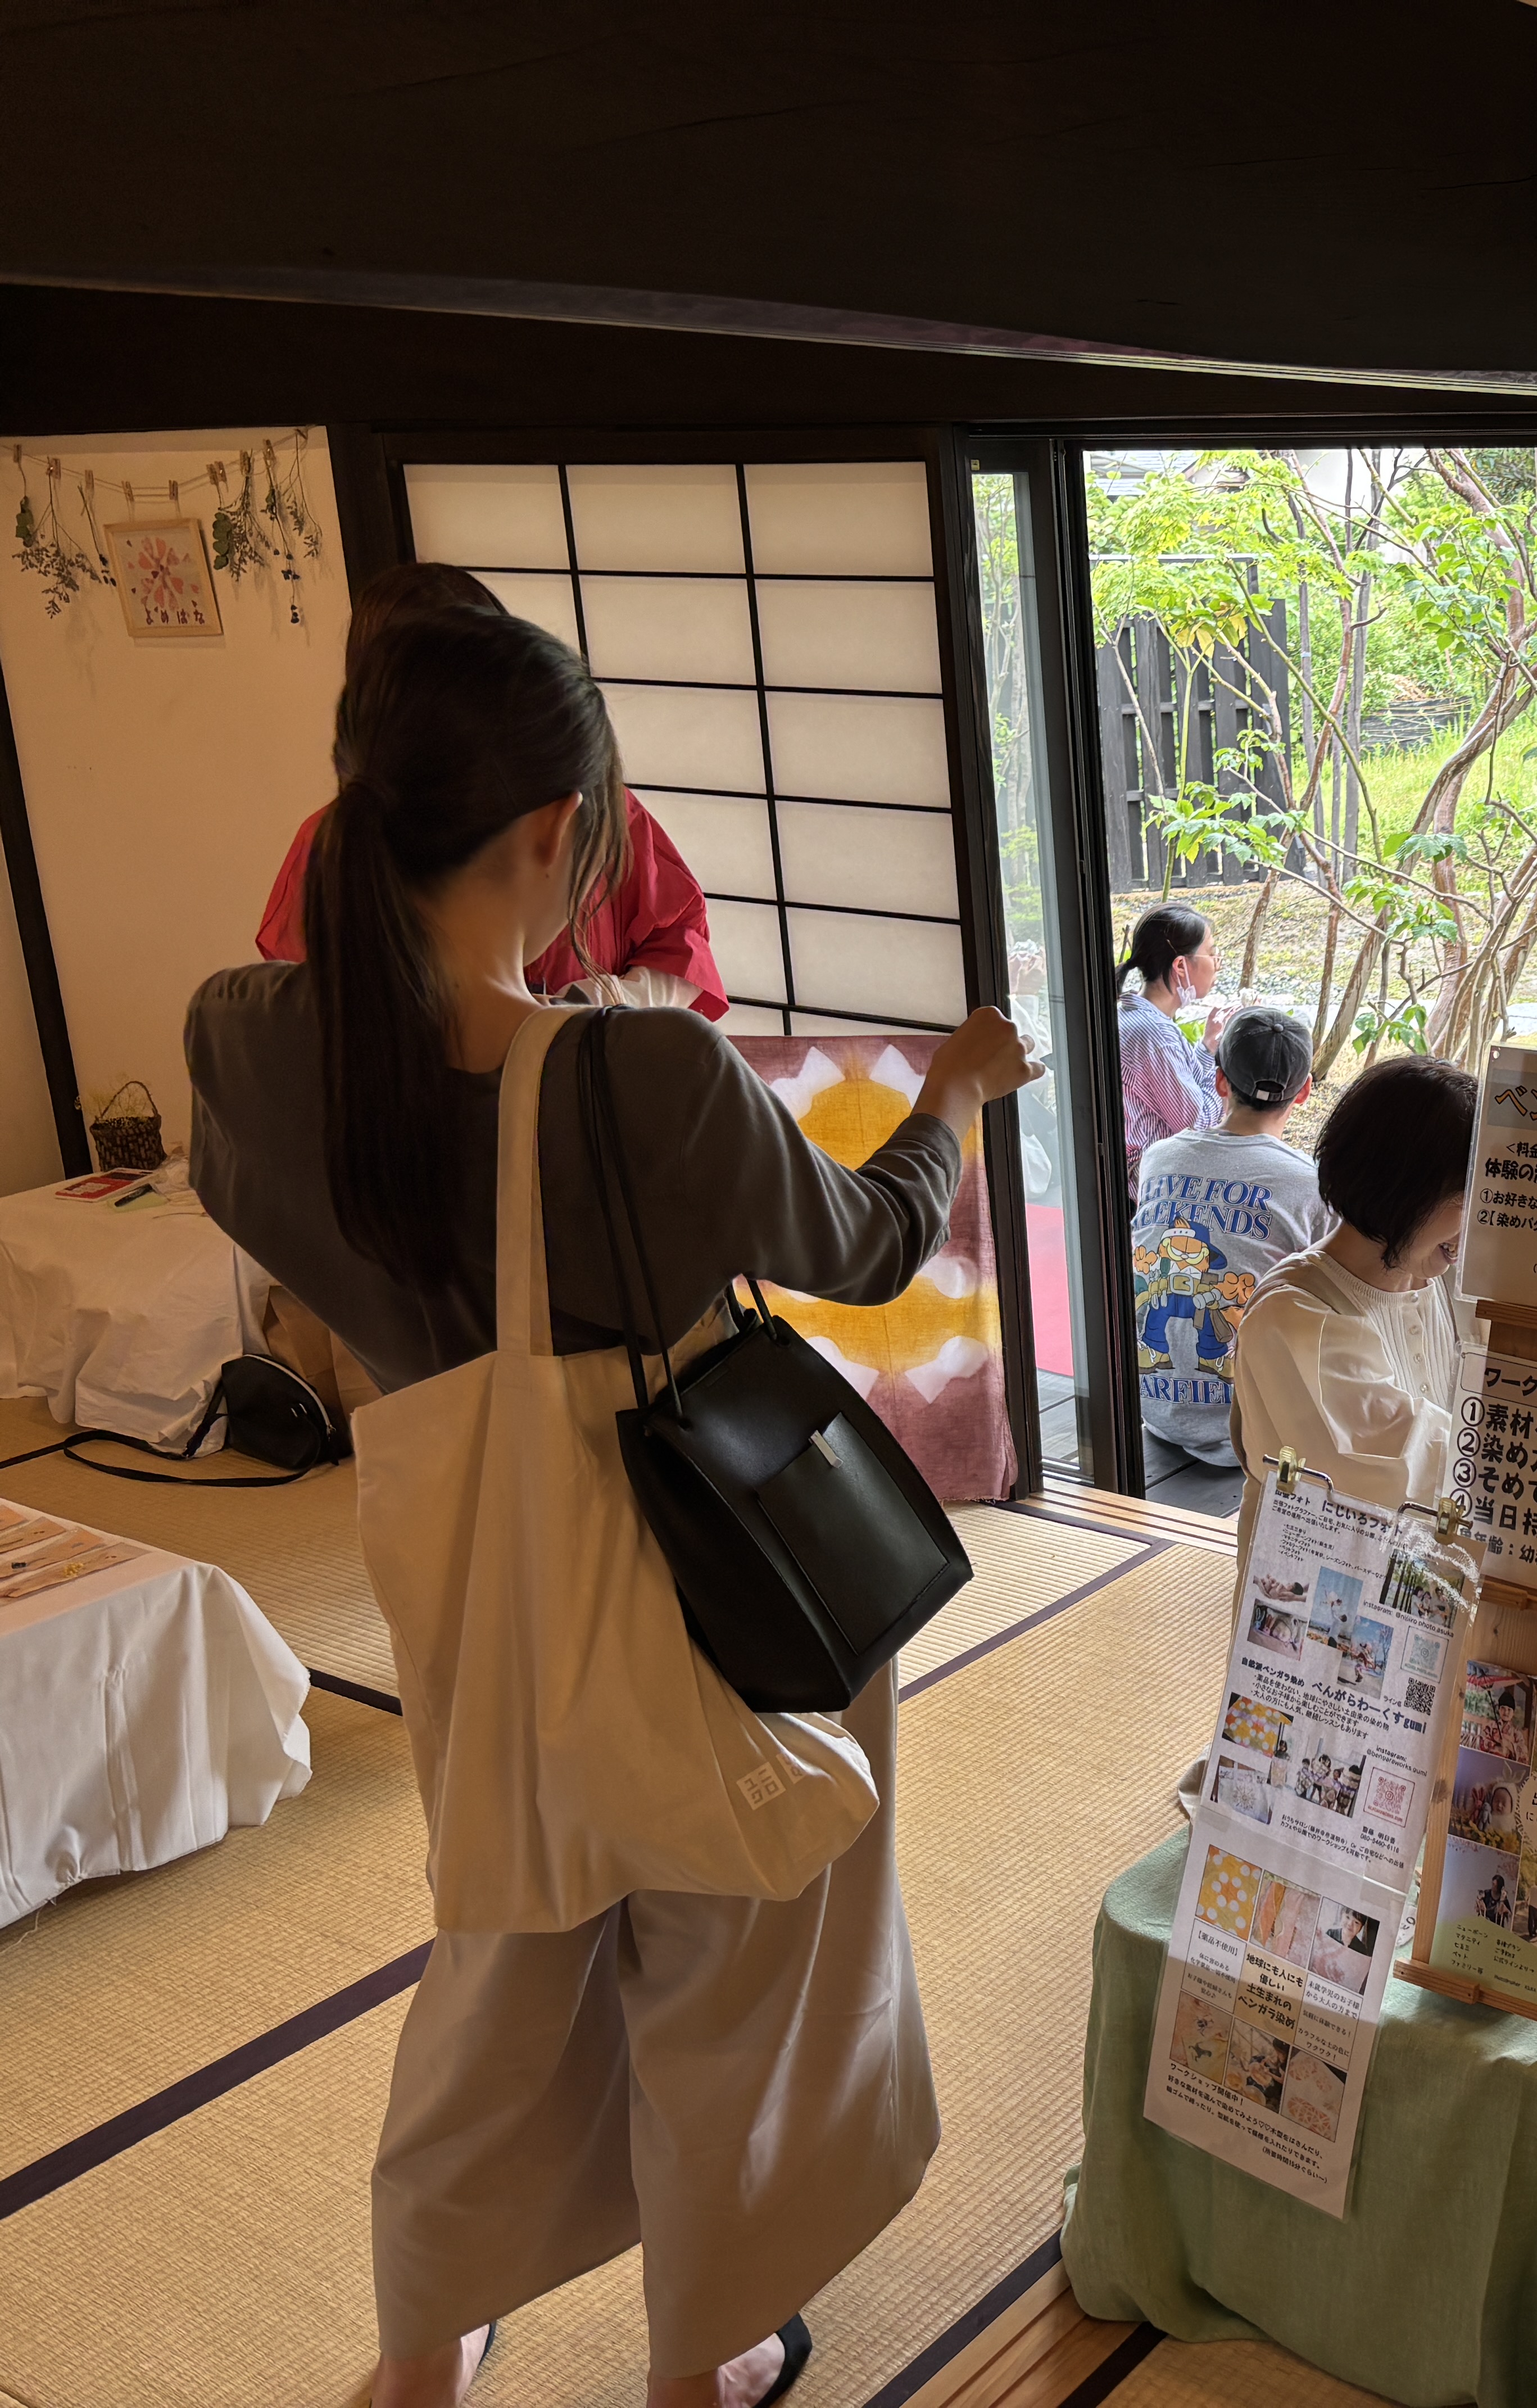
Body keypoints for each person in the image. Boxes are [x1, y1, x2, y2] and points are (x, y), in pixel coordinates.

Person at [184, 609, 1039, 2408]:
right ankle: (699, 2357)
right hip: (701, 1580)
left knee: (503, 1961)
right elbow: (869, 1245)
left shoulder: (247, 1040)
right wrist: (955, 1093)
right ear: (559, 831)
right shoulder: (637, 1077)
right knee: (739, 1953)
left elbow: (259, 1206)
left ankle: (425, 2351)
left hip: (473, 1593)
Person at [255, 562, 728, 1020]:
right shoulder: (336, 839)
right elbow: (317, 1012)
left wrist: (602, 1004)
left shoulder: (594, 805)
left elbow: (680, 942)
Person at [1227, 1052, 1477, 1514]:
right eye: (1468, 1201)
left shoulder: (1446, 1282)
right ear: (1402, 1190)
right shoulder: (1294, 1316)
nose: (1479, 1225)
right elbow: (1402, 1465)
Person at [1129, 1004, 1329, 1467]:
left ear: (1220, 1081)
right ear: (1303, 1092)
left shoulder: (1159, 1158)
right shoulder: (1312, 1185)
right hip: (1251, 1432)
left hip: (1154, 1411)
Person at [1115, 902, 1223, 1191]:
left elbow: (1188, 1088)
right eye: (1212, 953)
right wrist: (1228, 1082)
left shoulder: (1142, 1017)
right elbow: (1199, 1125)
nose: (1218, 963)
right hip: (1153, 1185)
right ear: (1181, 966)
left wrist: (1208, 1047)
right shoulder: (1154, 1035)